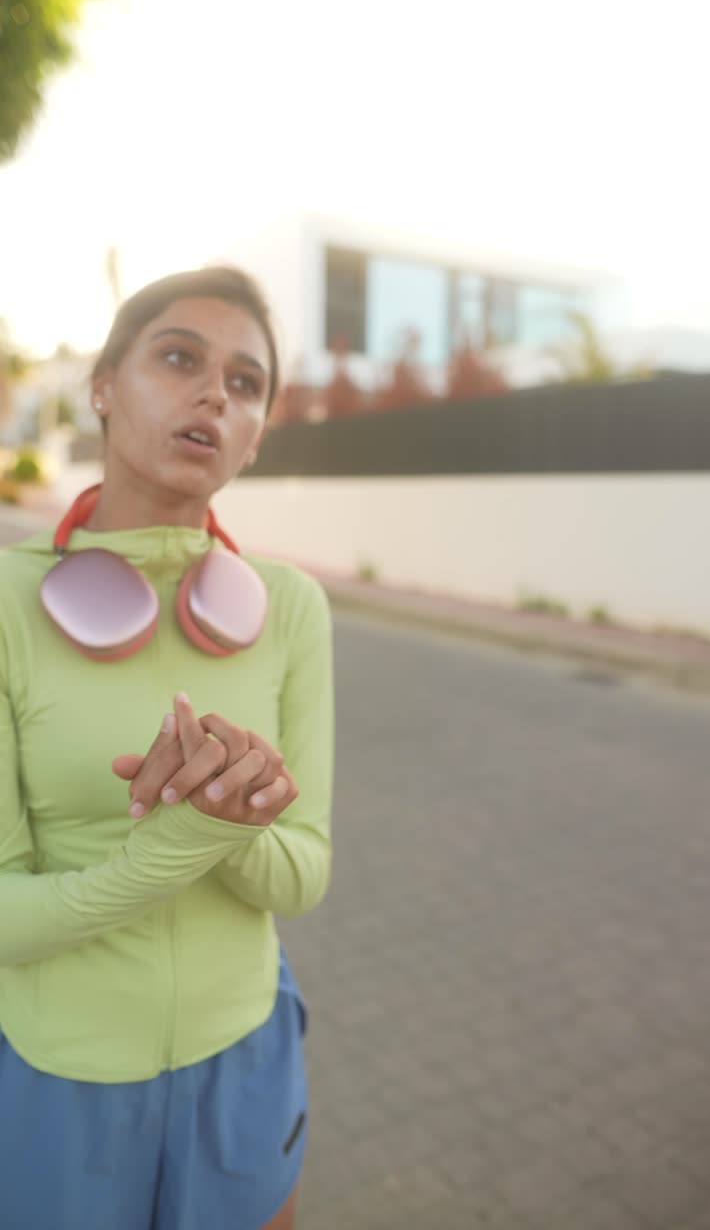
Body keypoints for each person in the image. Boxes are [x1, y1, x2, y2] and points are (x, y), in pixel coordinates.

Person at [0, 266, 334, 1230]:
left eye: (246, 382)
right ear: (102, 385)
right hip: (57, 1073)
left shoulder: (293, 608)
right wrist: (178, 847)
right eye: (179, 357)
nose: (212, 395)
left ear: (259, 430)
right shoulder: (7, 607)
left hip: (247, 1055)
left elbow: (304, 876)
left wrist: (235, 823)